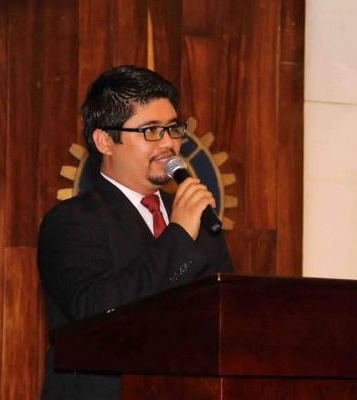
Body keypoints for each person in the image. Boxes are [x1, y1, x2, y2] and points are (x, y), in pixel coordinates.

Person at [37, 65, 234, 399]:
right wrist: (179, 236)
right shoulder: (72, 221)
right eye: (151, 130)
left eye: (173, 128)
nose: (169, 143)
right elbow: (97, 311)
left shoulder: (197, 215)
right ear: (105, 141)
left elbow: (224, 316)